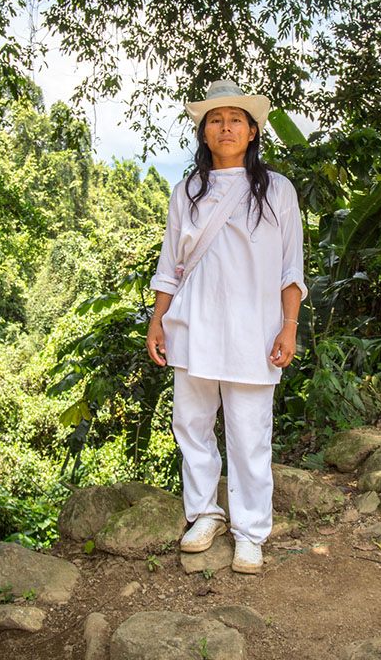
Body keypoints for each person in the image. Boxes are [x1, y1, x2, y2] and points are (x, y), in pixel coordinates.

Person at [147, 79, 307, 574]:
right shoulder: (187, 191)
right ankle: (203, 514)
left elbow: (290, 267)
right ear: (203, 131)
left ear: (254, 130)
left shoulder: (277, 191)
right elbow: (170, 264)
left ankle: (251, 530)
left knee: (249, 432)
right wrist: (158, 320)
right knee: (191, 424)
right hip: (193, 325)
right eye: (215, 119)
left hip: (253, 331)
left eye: (236, 118)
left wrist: (289, 327)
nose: (226, 127)